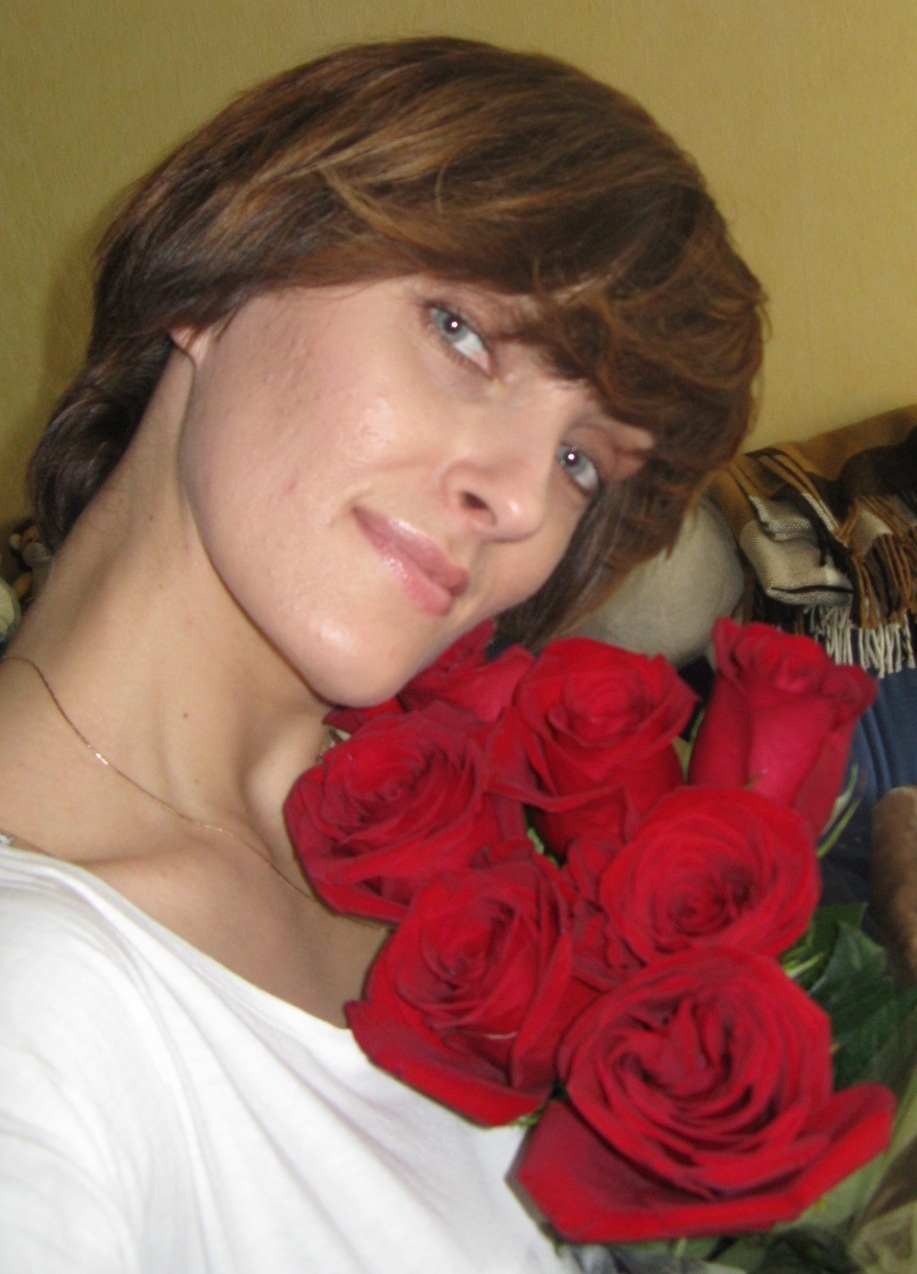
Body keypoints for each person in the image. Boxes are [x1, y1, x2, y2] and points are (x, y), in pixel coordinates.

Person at [0, 36, 764, 1273]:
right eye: (462, 332)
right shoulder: (36, 1000)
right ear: (219, 267)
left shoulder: (464, 862)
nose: (519, 500)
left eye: (581, 459)